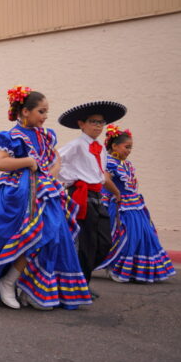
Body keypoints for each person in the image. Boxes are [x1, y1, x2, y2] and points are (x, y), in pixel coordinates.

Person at [0, 86, 90, 310]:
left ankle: (31, 287)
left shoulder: (46, 135)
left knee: (50, 237)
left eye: (46, 112)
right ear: (24, 112)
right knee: (29, 237)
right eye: (41, 111)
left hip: (43, 192)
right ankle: (8, 282)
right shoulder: (12, 136)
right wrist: (28, 162)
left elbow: (55, 161)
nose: (45, 116)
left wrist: (49, 173)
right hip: (18, 195)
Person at [57, 99, 126, 297]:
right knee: (85, 243)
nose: (98, 126)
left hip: (97, 196)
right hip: (80, 195)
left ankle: (79, 278)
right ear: (82, 124)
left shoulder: (101, 148)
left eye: (101, 122)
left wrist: (115, 192)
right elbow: (55, 160)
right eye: (93, 121)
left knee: (103, 242)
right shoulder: (77, 145)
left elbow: (102, 174)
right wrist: (67, 179)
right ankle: (80, 285)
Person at [98, 125, 175, 283]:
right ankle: (116, 267)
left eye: (130, 147)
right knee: (123, 237)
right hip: (119, 206)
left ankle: (133, 269)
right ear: (114, 146)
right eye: (126, 147)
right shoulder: (110, 162)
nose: (129, 150)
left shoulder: (126, 164)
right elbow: (105, 180)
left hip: (134, 205)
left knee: (142, 236)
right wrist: (117, 193)